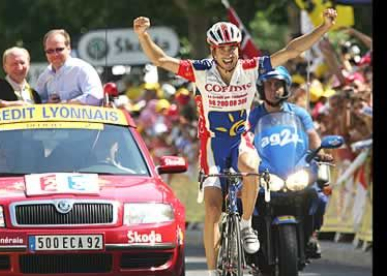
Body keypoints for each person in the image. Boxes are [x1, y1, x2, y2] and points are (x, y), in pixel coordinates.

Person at [133, 8, 337, 276]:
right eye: (222, 49)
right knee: (213, 209)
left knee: (251, 165)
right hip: (213, 146)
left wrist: (323, 28)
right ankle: (211, 270)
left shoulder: (251, 68)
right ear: (212, 49)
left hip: (240, 140)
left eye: (233, 48)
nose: (228, 54)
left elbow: (290, 51)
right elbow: (160, 59)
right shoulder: (201, 71)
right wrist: (143, 35)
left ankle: (246, 224)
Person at [249, 66, 334, 259]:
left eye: (278, 84)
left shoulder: (299, 113)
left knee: (319, 195)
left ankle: (312, 234)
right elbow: (246, 140)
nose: (273, 89)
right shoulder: (253, 116)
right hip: (266, 172)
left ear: (286, 87)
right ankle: (250, 237)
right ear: (262, 89)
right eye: (269, 85)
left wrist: (320, 152)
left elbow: (312, 136)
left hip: (295, 169)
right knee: (244, 199)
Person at [35, 29, 103, 105]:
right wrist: (48, 104)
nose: (55, 54)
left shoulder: (82, 69)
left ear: (68, 48)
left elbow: (95, 98)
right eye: (50, 51)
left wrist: (66, 104)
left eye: (59, 49)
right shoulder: (43, 77)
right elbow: (36, 104)